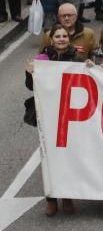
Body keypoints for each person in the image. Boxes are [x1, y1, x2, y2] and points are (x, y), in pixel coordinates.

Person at [26, 23, 80, 216]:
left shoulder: (77, 58)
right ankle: (51, 199)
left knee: (67, 157)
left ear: (69, 38)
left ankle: (67, 198)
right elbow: (30, 86)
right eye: (57, 36)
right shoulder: (41, 59)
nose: (61, 39)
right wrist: (29, 72)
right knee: (48, 156)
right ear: (51, 40)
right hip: (47, 113)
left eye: (64, 36)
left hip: (68, 115)